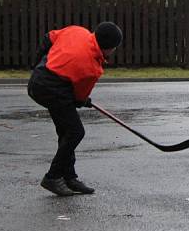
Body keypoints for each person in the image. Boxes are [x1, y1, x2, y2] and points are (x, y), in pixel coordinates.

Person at [27, 22, 123, 196]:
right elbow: (79, 98)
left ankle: (69, 177)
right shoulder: (92, 68)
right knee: (75, 132)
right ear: (108, 48)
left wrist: (36, 65)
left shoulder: (77, 31)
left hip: (38, 81)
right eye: (114, 48)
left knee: (66, 131)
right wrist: (83, 101)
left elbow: (48, 38)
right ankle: (53, 177)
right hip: (51, 90)